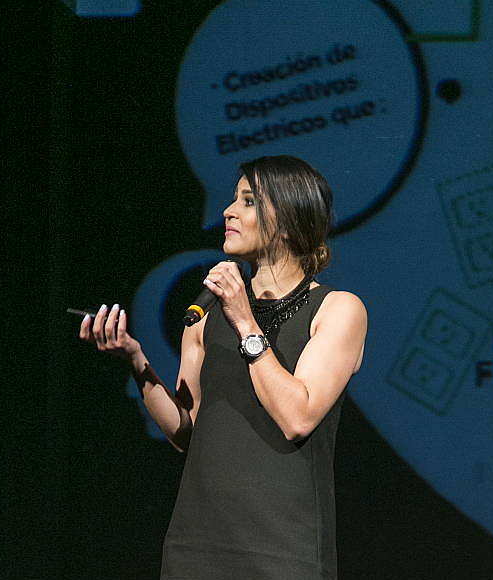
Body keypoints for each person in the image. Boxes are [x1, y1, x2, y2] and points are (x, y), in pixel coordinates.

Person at [79, 155, 368, 579]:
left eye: (248, 201)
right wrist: (136, 361)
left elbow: (298, 417)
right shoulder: (208, 313)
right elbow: (186, 432)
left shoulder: (337, 309)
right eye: (233, 199)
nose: (228, 211)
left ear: (288, 219)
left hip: (282, 548)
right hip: (198, 545)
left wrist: (245, 321)